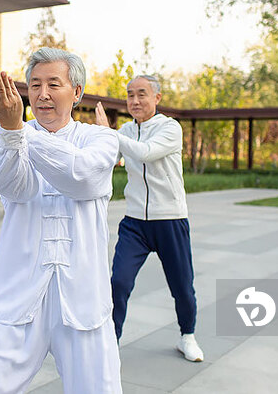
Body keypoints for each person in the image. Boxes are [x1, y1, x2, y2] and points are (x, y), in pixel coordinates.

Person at [0, 48, 122, 393]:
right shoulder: (5, 137)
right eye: (34, 85)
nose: (42, 94)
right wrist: (12, 133)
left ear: (76, 92)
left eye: (53, 84)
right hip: (19, 297)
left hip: (82, 301)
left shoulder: (101, 139)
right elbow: (15, 187)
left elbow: (80, 176)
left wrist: (16, 130)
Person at [95, 75, 204, 362]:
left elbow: (145, 153)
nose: (135, 101)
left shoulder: (170, 128)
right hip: (134, 223)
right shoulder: (126, 130)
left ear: (156, 97)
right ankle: (111, 342)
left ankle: (187, 336)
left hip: (170, 219)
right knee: (118, 282)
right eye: (130, 95)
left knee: (182, 286)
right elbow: (106, 156)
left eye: (141, 94)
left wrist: (109, 133)